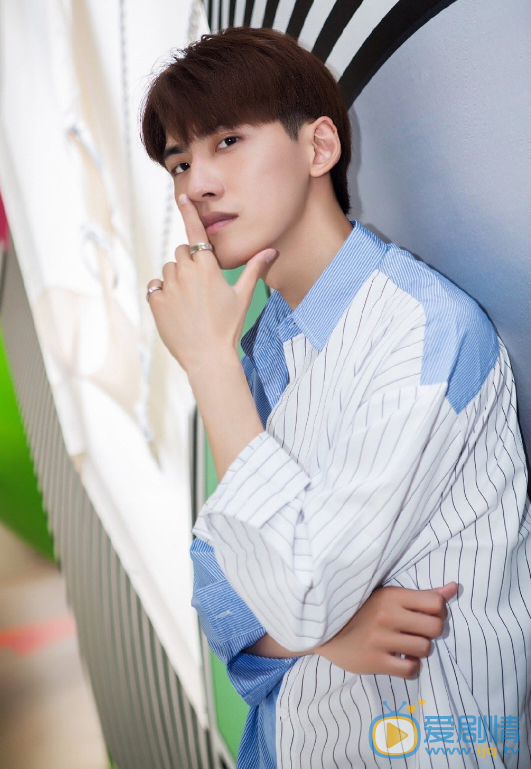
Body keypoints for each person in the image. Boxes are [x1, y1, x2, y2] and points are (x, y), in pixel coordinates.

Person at [140, 26, 531, 768]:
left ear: (319, 147)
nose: (196, 184)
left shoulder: (419, 331)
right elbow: (215, 583)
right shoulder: (268, 341)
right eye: (180, 161)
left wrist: (208, 364)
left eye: (228, 141)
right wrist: (321, 632)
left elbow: (296, 593)